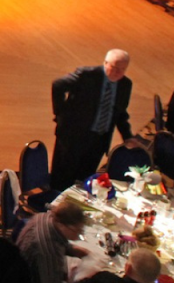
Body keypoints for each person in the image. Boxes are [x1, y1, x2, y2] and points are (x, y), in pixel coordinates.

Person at [49, 50, 136, 190]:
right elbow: (58, 85)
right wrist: (61, 113)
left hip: (98, 140)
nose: (117, 72)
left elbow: (120, 112)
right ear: (105, 63)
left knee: (85, 179)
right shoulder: (87, 74)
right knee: (62, 177)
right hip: (72, 136)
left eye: (122, 69)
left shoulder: (125, 84)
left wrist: (127, 136)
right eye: (114, 67)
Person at [15, 198, 88, 283]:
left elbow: (59, 240)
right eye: (77, 231)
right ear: (63, 225)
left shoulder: (44, 217)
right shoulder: (49, 250)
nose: (80, 235)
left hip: (21, 267)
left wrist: (70, 249)